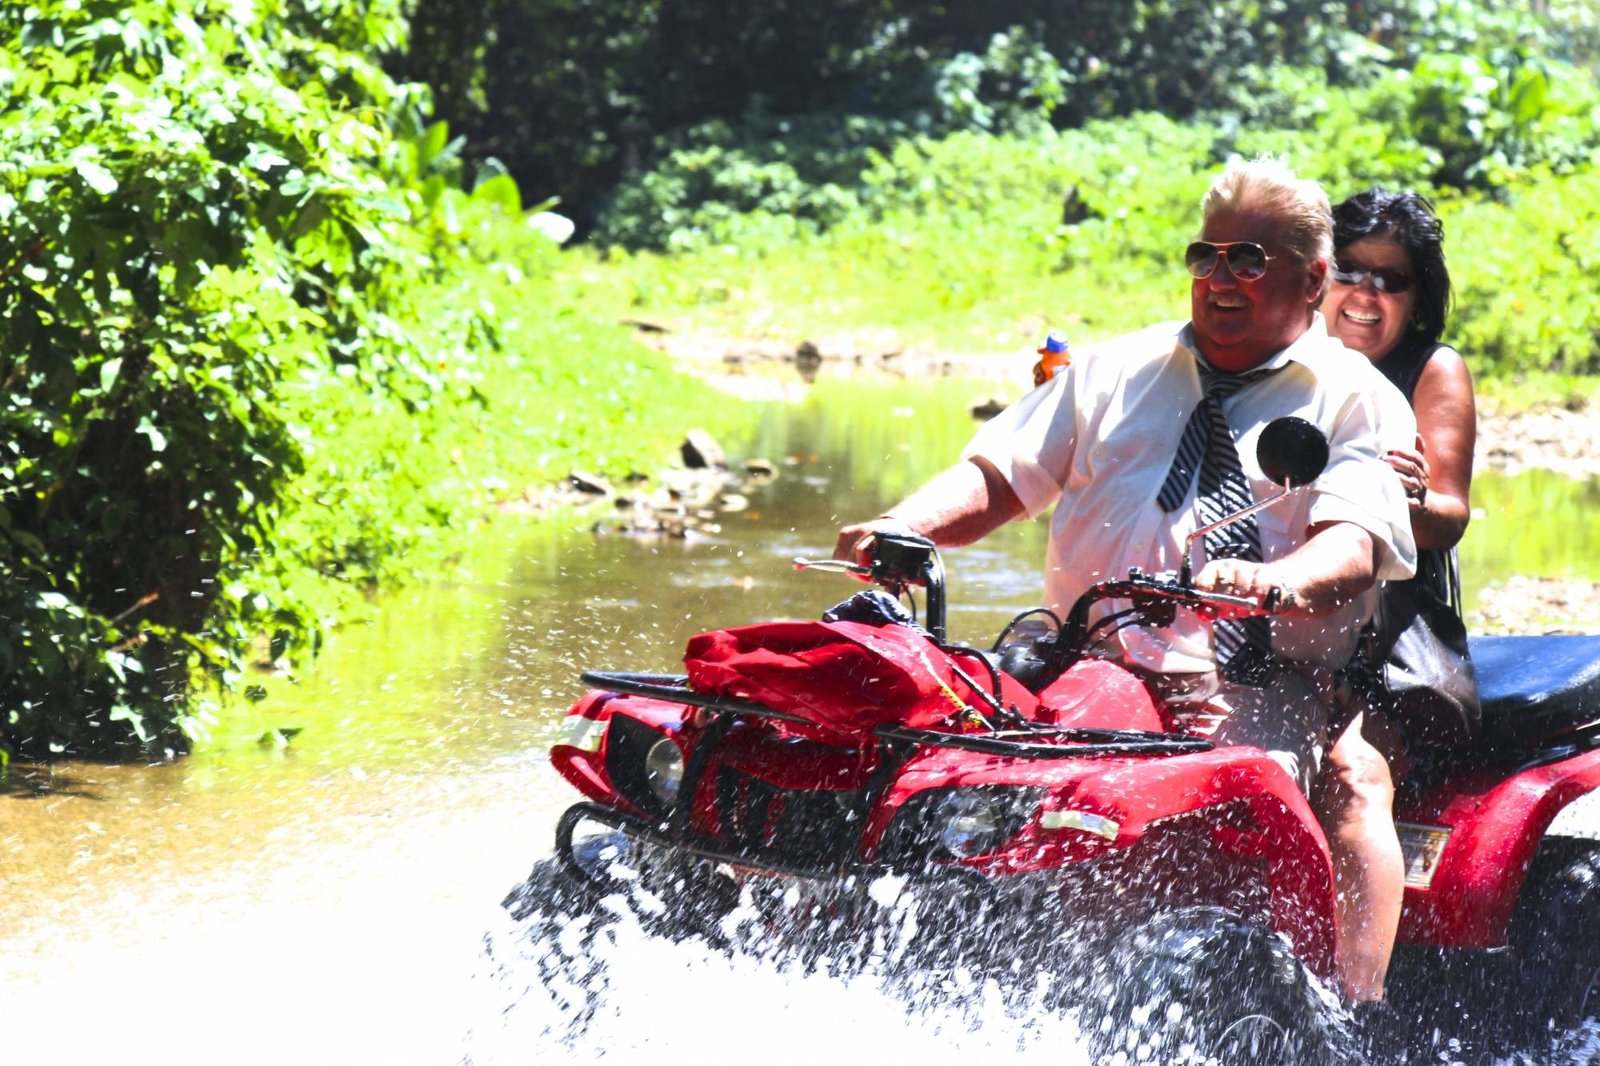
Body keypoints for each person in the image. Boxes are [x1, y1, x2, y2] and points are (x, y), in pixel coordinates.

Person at [834, 157, 1418, 1003]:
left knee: (1252, 803)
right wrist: (904, 527)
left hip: (1245, 677)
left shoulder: (1356, 396)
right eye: (1205, 256)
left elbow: (1353, 543)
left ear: (1312, 279)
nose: (1219, 278)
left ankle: (1338, 1012)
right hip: (1081, 658)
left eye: (1247, 260)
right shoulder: (1118, 367)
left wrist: (1273, 580)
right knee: (934, 766)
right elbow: (1003, 474)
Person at [1313, 188, 1478, 1003]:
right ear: (1317, 274)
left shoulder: (1432, 369)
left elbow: (1449, 516)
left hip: (1392, 631)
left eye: (1392, 279)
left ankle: (1355, 1011)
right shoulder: (1278, 352)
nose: (1367, 293)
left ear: (1418, 297)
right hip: (1266, 612)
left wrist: (1407, 499)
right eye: (1351, 270)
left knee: (1353, 777)